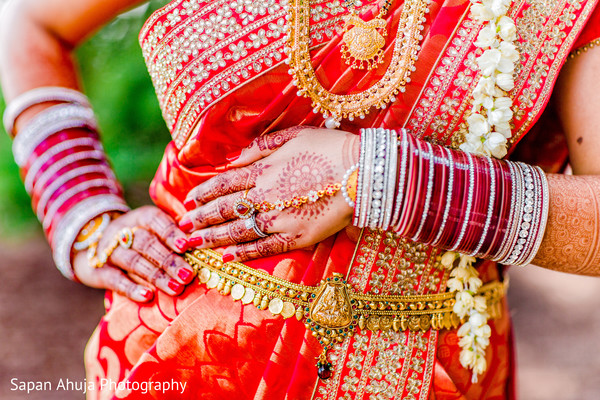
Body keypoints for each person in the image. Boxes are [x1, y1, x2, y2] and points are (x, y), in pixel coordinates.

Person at [1, 0, 600, 398]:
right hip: (173, 362)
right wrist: (79, 209)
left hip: (422, 374)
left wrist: (377, 176)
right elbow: (28, 22)